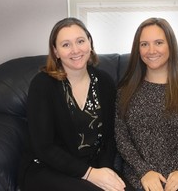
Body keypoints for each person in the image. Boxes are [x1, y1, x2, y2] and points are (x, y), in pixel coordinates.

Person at [18, 17, 133, 191]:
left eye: (80, 41)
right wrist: (90, 174)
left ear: (90, 43)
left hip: (92, 166)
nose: (75, 50)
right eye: (66, 45)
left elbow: (109, 138)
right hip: (47, 168)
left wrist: (104, 171)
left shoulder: (105, 82)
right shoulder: (42, 84)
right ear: (55, 52)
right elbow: (44, 147)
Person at [115, 17, 178, 191]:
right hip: (142, 177)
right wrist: (143, 171)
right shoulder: (126, 89)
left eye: (159, 42)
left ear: (171, 45)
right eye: (144, 44)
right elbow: (122, 138)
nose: (151, 50)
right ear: (138, 49)